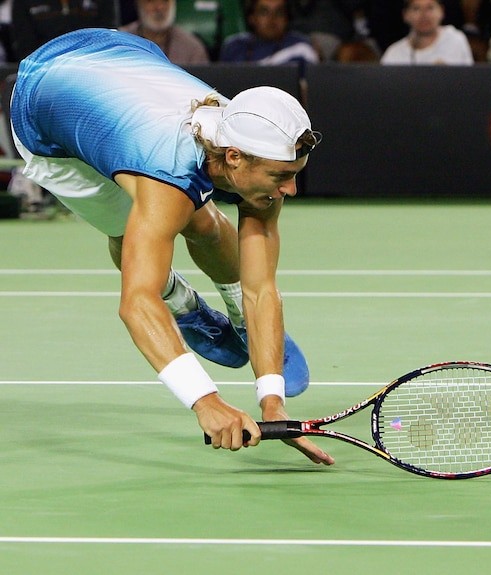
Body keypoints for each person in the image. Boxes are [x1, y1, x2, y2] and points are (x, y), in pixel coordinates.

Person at [10, 28, 335, 462]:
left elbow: (260, 286)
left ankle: (237, 323)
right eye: (281, 177)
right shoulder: (164, 176)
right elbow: (136, 302)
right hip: (43, 115)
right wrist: (206, 401)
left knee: (204, 223)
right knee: (133, 233)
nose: (290, 189)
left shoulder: (251, 138)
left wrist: (272, 401)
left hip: (118, 55)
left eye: (294, 173)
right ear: (234, 158)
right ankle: (184, 307)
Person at [12, 0, 120, 60]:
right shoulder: (24, 3)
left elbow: (108, 38)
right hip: (45, 70)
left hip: (93, 65)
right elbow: (25, 46)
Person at [220, 0, 319, 64]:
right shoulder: (233, 47)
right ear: (252, 18)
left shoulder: (301, 47)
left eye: (279, 12)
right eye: (264, 12)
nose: (272, 19)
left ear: (287, 18)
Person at [380, 0, 474, 64]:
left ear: (441, 11)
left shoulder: (455, 39)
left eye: (430, 8)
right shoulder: (393, 54)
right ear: (405, 15)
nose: (424, 15)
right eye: (416, 8)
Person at [120, 0, 210, 64]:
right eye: (151, 1)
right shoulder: (119, 41)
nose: (159, 7)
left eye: (165, 1)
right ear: (138, 4)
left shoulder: (192, 49)